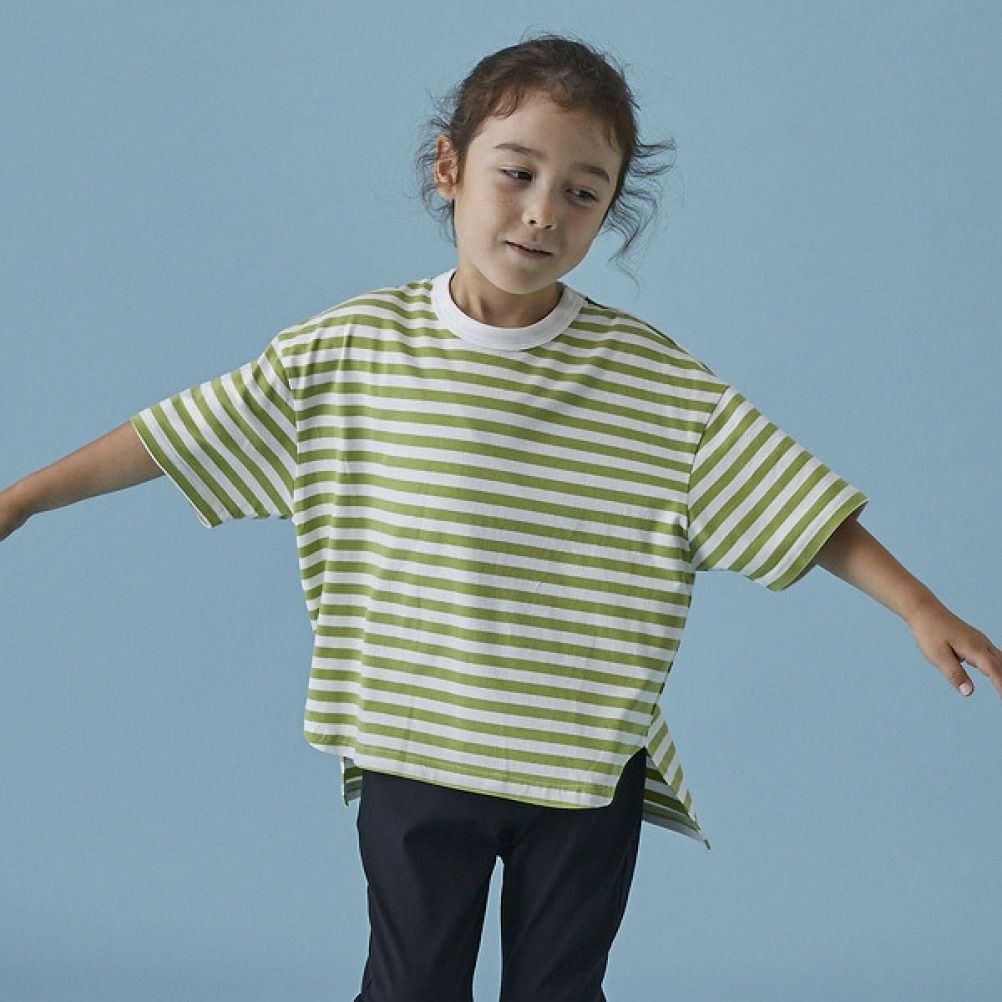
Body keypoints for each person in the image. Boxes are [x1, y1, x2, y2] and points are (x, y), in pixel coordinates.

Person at [2, 30, 999, 1002]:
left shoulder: (656, 386)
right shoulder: (350, 352)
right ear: (450, 167)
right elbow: (179, 434)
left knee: (559, 988)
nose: (541, 212)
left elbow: (789, 502)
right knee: (412, 985)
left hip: (584, 758)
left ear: (608, 210)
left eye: (582, 192)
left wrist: (919, 606)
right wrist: (23, 499)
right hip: (413, 743)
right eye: (516, 173)